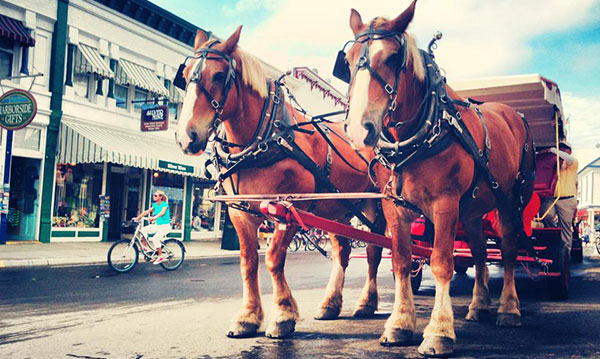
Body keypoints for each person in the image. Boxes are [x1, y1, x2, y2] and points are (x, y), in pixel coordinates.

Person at [538, 141, 578, 255]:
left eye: (563, 149)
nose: (560, 151)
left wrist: (553, 150)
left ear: (568, 151)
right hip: (550, 198)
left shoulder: (572, 162)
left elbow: (568, 159)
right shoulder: (552, 164)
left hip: (566, 199)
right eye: (559, 148)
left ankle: (565, 255)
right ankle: (554, 241)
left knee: (565, 226)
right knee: (546, 216)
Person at [134, 190, 171, 265]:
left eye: (155, 195)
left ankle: (160, 256)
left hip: (165, 226)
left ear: (160, 197)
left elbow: (162, 213)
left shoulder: (164, 204)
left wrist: (154, 217)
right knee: (143, 230)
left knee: (155, 239)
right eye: (154, 195)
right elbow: (147, 211)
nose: (154, 196)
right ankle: (144, 247)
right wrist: (138, 218)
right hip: (157, 225)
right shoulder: (155, 205)